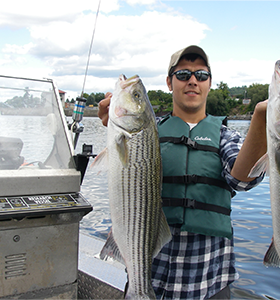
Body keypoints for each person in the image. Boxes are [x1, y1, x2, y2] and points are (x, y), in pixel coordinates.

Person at [99, 45, 268, 299]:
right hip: (148, 276)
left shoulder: (225, 136)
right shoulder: (148, 132)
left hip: (208, 282)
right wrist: (112, 124)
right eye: (182, 75)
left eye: (201, 75)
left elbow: (241, 179)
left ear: (210, 83)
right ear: (169, 82)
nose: (192, 81)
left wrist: (261, 118)